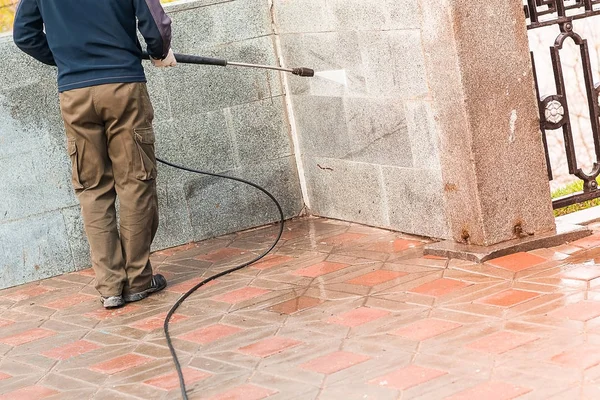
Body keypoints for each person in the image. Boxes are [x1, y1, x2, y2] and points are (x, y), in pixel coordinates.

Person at [13, 0, 177, 309]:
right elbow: (155, 25)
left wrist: (67, 60)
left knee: (92, 189)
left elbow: (24, 34)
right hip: (123, 86)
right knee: (135, 181)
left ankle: (111, 287)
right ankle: (138, 281)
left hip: (74, 92)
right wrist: (159, 52)